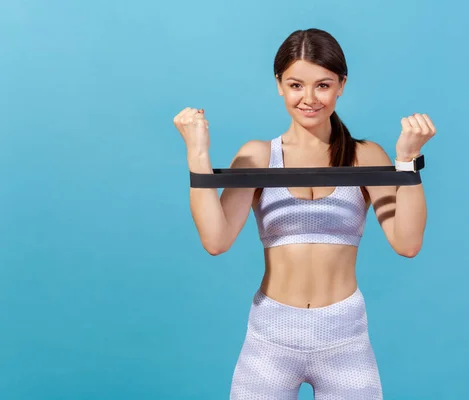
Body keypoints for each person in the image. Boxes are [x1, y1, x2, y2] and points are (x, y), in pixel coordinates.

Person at [173, 28, 435, 400]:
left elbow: (407, 243)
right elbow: (216, 241)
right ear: (279, 84)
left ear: (342, 85)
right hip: (271, 335)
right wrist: (197, 154)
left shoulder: (365, 156)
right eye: (296, 85)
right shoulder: (257, 156)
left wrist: (407, 161)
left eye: (323, 85)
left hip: (345, 337)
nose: (309, 99)